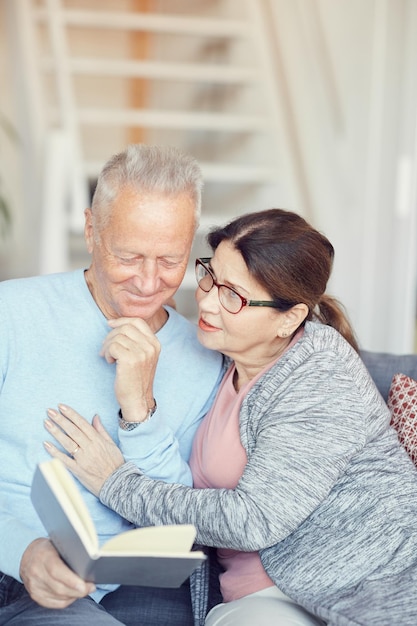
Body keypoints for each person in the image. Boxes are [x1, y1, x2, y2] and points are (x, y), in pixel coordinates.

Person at [45, 207, 417, 626]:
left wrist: (116, 483)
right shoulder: (220, 357)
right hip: (259, 598)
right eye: (210, 275)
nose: (204, 299)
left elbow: (253, 520)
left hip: (358, 594)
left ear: (289, 318)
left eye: (233, 295)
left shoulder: (321, 374)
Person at [0, 144, 224, 625]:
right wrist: (21, 551)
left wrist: (139, 408)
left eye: (170, 260)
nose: (148, 282)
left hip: (67, 595)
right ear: (90, 230)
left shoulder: (205, 363)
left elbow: (175, 522)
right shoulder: (10, 313)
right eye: (129, 256)